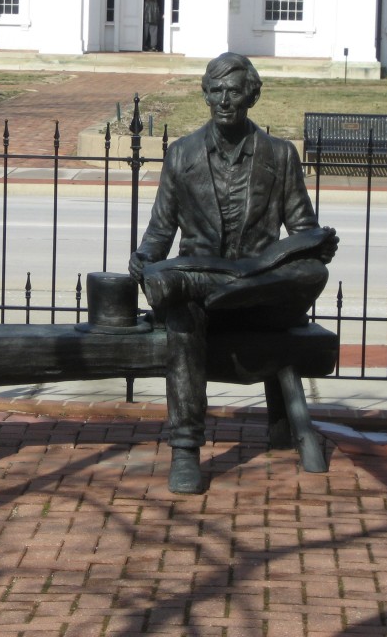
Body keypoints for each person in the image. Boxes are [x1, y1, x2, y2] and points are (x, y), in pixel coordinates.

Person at [128, 52, 338, 494]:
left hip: (262, 298)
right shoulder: (181, 155)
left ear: (251, 96)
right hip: (201, 304)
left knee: (311, 274)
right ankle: (186, 451)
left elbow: (301, 230)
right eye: (217, 91)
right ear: (206, 95)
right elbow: (159, 234)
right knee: (184, 316)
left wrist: (315, 244)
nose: (225, 101)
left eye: (235, 92)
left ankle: (224, 288)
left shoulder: (280, 156)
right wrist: (144, 259)